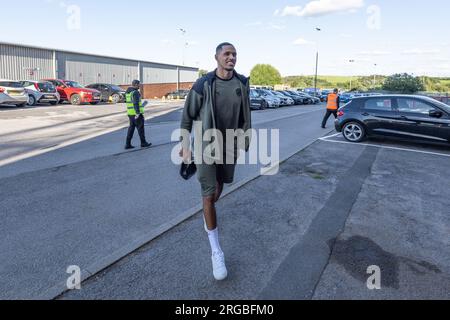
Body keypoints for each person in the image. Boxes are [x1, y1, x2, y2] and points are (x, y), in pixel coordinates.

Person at [179, 43, 252, 281]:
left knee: (220, 186)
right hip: (205, 145)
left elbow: (245, 114)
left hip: (229, 144)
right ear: (217, 57)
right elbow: (187, 116)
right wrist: (185, 144)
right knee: (208, 194)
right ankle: (216, 251)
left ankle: (207, 213)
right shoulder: (204, 83)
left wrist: (244, 139)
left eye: (234, 54)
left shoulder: (242, 83)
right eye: (227, 54)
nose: (231, 57)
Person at [125, 80, 152, 149]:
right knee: (141, 129)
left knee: (131, 129)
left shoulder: (128, 92)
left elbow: (131, 103)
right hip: (136, 114)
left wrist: (143, 105)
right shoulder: (135, 92)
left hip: (130, 114)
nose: (140, 86)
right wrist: (137, 113)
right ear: (136, 84)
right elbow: (135, 103)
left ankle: (127, 144)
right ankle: (143, 143)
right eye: (139, 84)